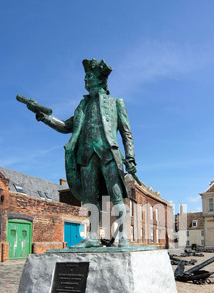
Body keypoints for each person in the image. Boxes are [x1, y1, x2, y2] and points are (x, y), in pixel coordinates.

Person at [34, 58, 138, 248]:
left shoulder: (116, 103)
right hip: (87, 156)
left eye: (89, 76)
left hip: (109, 155)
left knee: (117, 198)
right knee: (90, 200)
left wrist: (130, 157)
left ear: (99, 79)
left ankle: (123, 238)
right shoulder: (82, 107)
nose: (86, 80)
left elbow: (126, 133)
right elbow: (66, 126)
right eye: (85, 77)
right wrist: (45, 117)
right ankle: (92, 237)